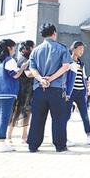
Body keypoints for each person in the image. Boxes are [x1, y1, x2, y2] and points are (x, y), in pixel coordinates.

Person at [27, 23, 73, 153]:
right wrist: (50, 79)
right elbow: (65, 66)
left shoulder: (35, 50)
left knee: (37, 118)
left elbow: (32, 69)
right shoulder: (62, 48)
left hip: (39, 89)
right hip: (56, 89)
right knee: (58, 118)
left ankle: (33, 145)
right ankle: (60, 146)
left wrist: (41, 79)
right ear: (54, 33)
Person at [0, 39, 28, 152]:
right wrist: (22, 68)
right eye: (14, 47)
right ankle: (1, 142)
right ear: (9, 48)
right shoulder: (10, 60)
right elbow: (15, 75)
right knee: (4, 117)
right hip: (8, 92)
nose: (15, 50)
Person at [65, 41, 90, 145]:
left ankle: (89, 136)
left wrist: (86, 91)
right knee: (66, 115)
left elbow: (84, 77)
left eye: (83, 49)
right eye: (80, 49)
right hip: (70, 92)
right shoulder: (67, 62)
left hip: (81, 92)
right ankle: (64, 138)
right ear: (74, 49)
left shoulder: (81, 64)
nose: (82, 51)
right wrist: (65, 92)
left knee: (84, 114)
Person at [7, 40, 35, 144]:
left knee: (18, 113)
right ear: (27, 48)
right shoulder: (26, 60)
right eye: (33, 47)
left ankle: (13, 136)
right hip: (24, 90)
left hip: (22, 89)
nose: (34, 49)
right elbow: (28, 74)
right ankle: (19, 136)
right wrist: (40, 74)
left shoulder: (20, 59)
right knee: (21, 113)